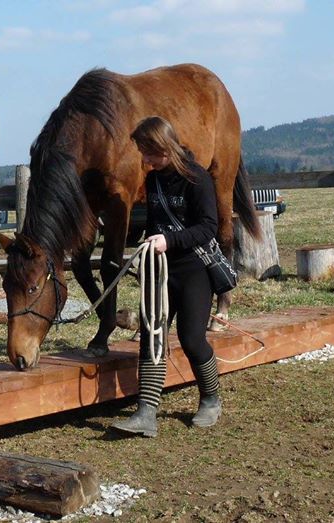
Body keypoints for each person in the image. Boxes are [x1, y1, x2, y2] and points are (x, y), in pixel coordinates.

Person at [111, 116, 221, 437]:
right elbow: (157, 220)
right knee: (151, 336)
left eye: (147, 152)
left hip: (193, 270)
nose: (143, 159)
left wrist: (168, 240)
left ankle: (211, 398)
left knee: (191, 339)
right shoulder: (155, 179)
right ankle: (146, 413)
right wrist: (147, 243)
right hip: (159, 269)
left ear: (164, 147)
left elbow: (208, 227)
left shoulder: (197, 179)